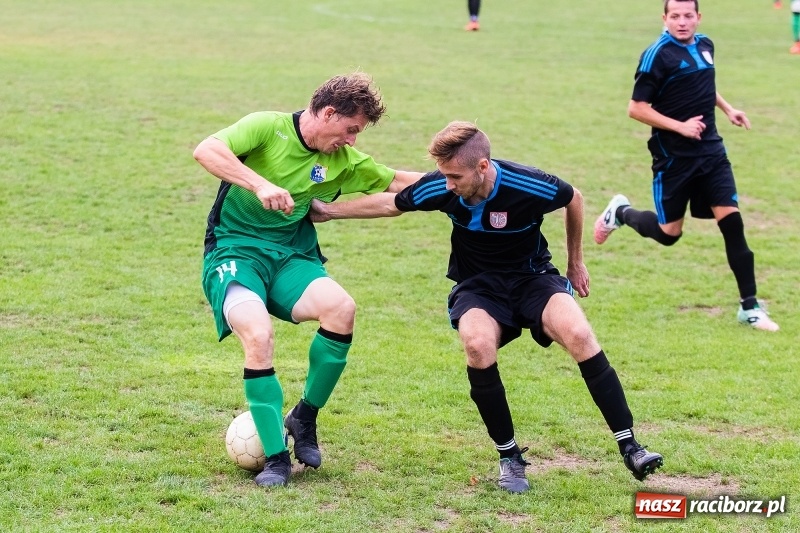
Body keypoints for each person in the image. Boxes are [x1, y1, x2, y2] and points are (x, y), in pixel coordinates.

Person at [310, 121, 663, 493]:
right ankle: (509, 457)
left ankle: (630, 446)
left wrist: (576, 262)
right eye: (444, 175)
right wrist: (330, 211)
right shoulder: (444, 185)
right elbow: (391, 203)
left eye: (455, 176)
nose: (448, 185)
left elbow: (572, 197)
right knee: (477, 345)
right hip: (478, 288)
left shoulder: (526, 183)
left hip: (533, 278)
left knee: (578, 333)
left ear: (482, 168)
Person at [194, 72, 423, 487]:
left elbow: (400, 186)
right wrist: (259, 183)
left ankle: (304, 417)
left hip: (291, 257)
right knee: (259, 335)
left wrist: (471, 180)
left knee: (341, 309)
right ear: (329, 113)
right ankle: (277, 459)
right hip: (234, 252)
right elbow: (206, 150)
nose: (353, 140)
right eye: (351, 129)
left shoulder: (342, 161)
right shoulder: (268, 127)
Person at [594, 0, 779, 332]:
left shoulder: (705, 44)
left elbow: (703, 83)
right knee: (669, 235)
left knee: (733, 225)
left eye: (688, 16)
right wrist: (680, 127)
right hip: (673, 158)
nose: (682, 22)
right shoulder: (656, 56)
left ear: (698, 17)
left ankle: (749, 307)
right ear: (664, 19)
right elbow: (636, 108)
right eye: (675, 16)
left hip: (711, 152)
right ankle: (620, 213)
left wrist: (728, 109)